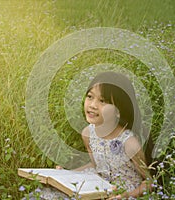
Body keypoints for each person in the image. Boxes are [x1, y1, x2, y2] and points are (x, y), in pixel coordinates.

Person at [23, 71, 153, 200]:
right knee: (47, 194)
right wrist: (67, 174)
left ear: (119, 111)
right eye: (90, 97)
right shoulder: (88, 133)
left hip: (119, 192)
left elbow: (148, 182)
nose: (92, 105)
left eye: (102, 101)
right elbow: (96, 165)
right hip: (97, 186)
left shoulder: (129, 142)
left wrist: (127, 196)